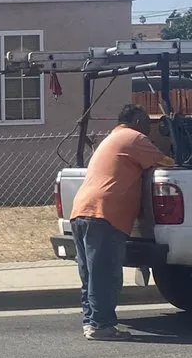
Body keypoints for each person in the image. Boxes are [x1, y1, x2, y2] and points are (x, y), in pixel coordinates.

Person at [71, 105, 175, 341]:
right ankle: (101, 325)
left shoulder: (113, 138)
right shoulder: (134, 138)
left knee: (91, 274)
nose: (150, 128)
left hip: (82, 211)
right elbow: (165, 162)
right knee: (105, 274)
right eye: (148, 122)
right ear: (136, 120)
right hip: (105, 214)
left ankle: (92, 320)